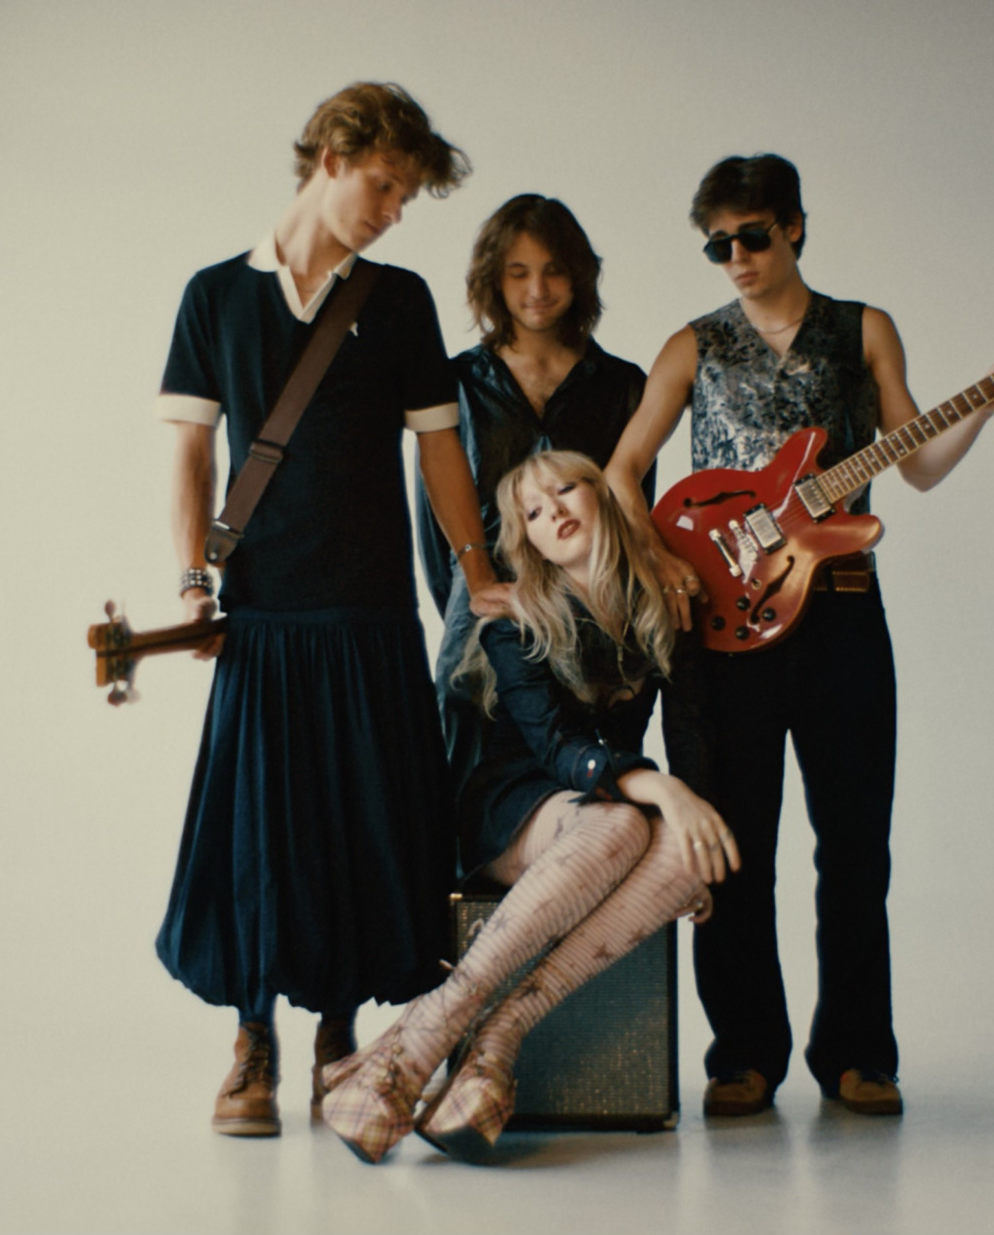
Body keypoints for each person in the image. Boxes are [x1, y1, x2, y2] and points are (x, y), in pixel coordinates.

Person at [603, 154, 994, 1118]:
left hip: (842, 609)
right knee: (733, 848)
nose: (736, 257)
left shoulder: (863, 328)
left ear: (796, 227)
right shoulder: (693, 344)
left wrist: (988, 400)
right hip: (723, 630)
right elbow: (621, 470)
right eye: (718, 244)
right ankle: (743, 1055)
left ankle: (857, 1054)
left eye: (753, 236)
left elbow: (918, 462)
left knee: (854, 846)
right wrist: (666, 564)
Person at [151, 82, 507, 1139]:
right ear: (334, 158)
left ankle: (338, 1037)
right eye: (385, 186)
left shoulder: (398, 301)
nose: (393, 211)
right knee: (258, 831)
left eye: (405, 197)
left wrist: (476, 567)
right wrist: (190, 580)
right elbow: (188, 452)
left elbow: (441, 449)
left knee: (360, 824)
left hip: (369, 614)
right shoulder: (214, 296)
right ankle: (251, 1040)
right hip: (263, 612)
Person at [320, 451, 736, 1163]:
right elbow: (556, 749)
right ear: (529, 541)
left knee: (689, 851)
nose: (555, 512)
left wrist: (694, 819)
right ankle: (424, 1039)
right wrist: (664, 789)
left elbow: (691, 736)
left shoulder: (661, 607)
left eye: (566, 490)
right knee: (623, 821)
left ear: (604, 498)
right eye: (534, 513)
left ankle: (497, 1040)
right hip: (511, 803)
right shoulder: (514, 621)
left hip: (602, 804)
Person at [414, 194, 651, 834]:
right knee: (469, 788)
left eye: (554, 270)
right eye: (518, 273)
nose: (537, 290)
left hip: (595, 615)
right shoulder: (456, 383)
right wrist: (472, 593)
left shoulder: (623, 384)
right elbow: (435, 524)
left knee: (597, 791)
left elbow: (634, 510)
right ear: (493, 280)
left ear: (579, 276)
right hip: (485, 607)